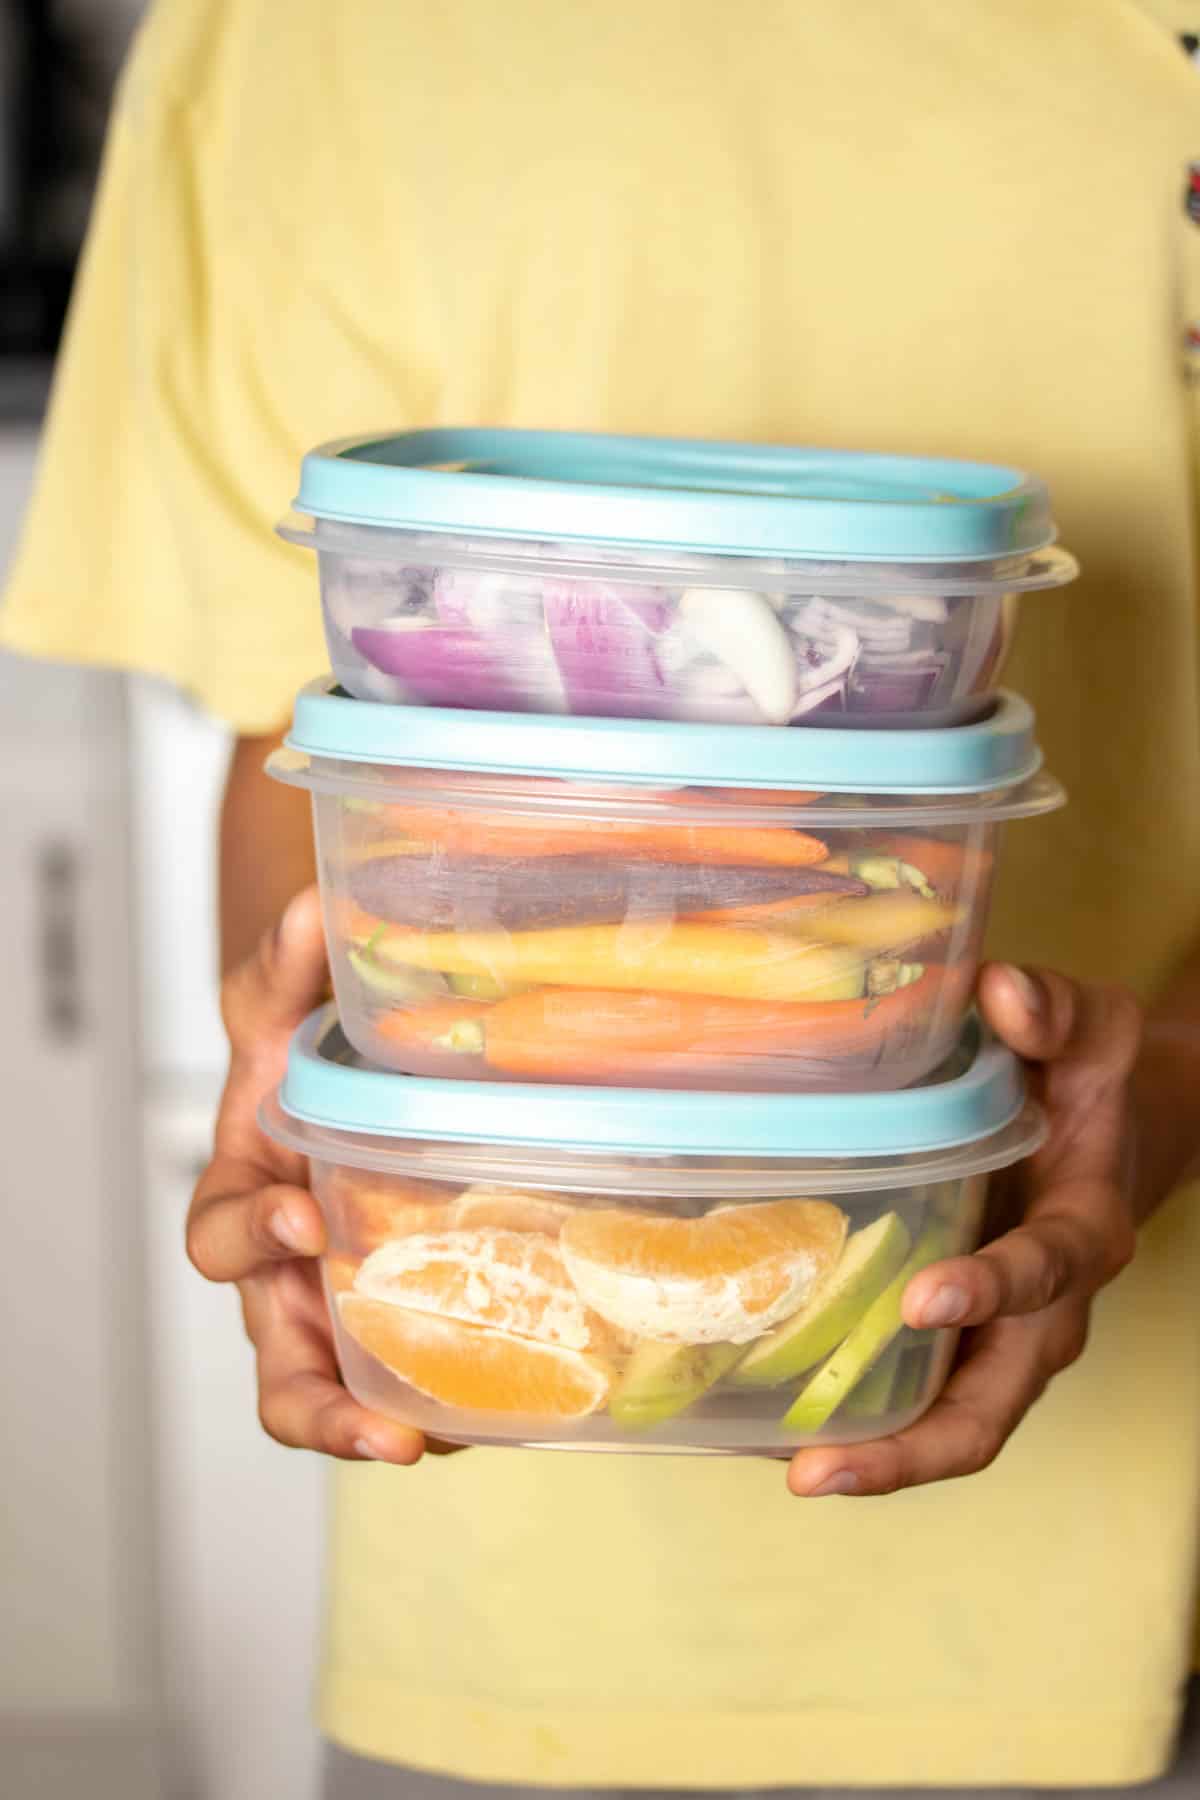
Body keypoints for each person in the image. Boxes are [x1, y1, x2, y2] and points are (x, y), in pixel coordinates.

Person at [4, 1, 1200, 1793]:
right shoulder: (281, 32)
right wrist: (342, 1110)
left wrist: (1166, 1079)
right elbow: (317, 740)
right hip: (534, 1563)